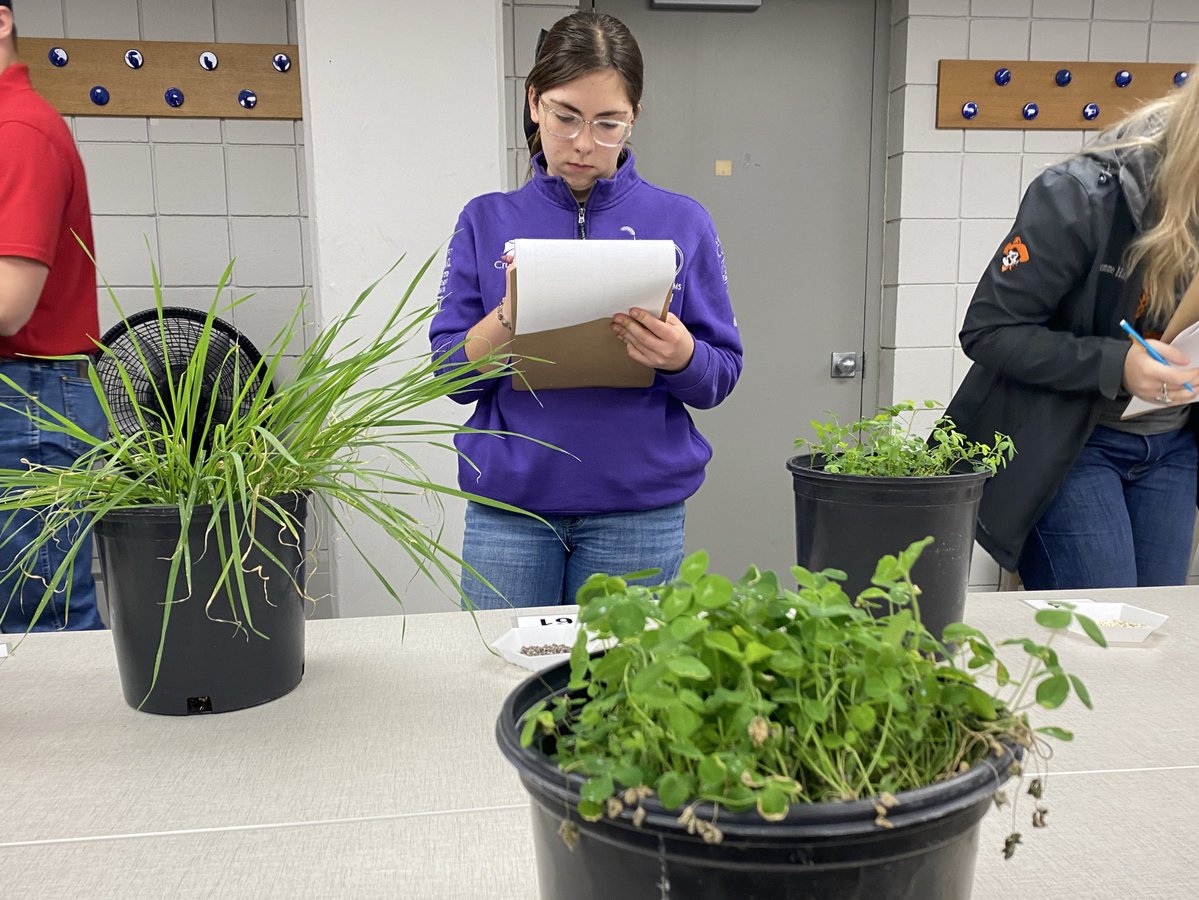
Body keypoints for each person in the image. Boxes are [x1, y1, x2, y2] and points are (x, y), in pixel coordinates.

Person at [429, 11, 742, 609]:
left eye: (608, 124)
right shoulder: (485, 219)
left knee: (621, 695)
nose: (582, 144)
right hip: (510, 513)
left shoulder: (683, 222)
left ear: (634, 120)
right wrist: (508, 320)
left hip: (638, 512)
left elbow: (720, 374)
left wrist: (680, 356)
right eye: (565, 117)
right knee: (503, 682)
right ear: (533, 104)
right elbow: (450, 376)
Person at [946, 65, 1199, 591]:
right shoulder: (1081, 196)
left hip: (1173, 445)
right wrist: (1117, 364)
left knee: (1154, 632)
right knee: (1098, 639)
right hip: (1072, 444)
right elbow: (989, 330)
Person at [0, 0, 107, 631]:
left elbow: (10, 304)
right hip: (30, 395)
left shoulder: (18, 130)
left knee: (39, 627)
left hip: (28, 398)